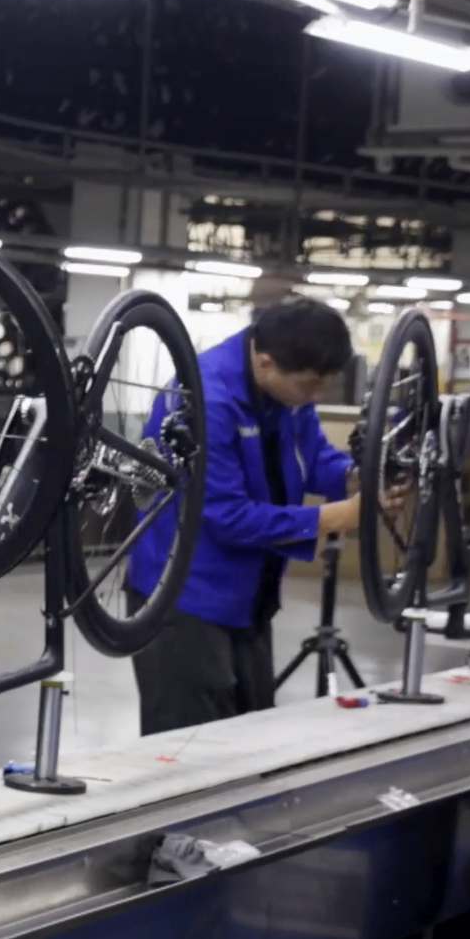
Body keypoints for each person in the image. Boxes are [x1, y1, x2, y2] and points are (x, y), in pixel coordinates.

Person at [124, 295, 369, 733]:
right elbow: (225, 516)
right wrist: (336, 518)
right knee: (189, 748)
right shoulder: (204, 399)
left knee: (247, 737)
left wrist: (353, 479)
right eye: (312, 385)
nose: (317, 396)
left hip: (246, 596)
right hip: (185, 597)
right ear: (266, 362)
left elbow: (310, 457)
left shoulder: (287, 391)